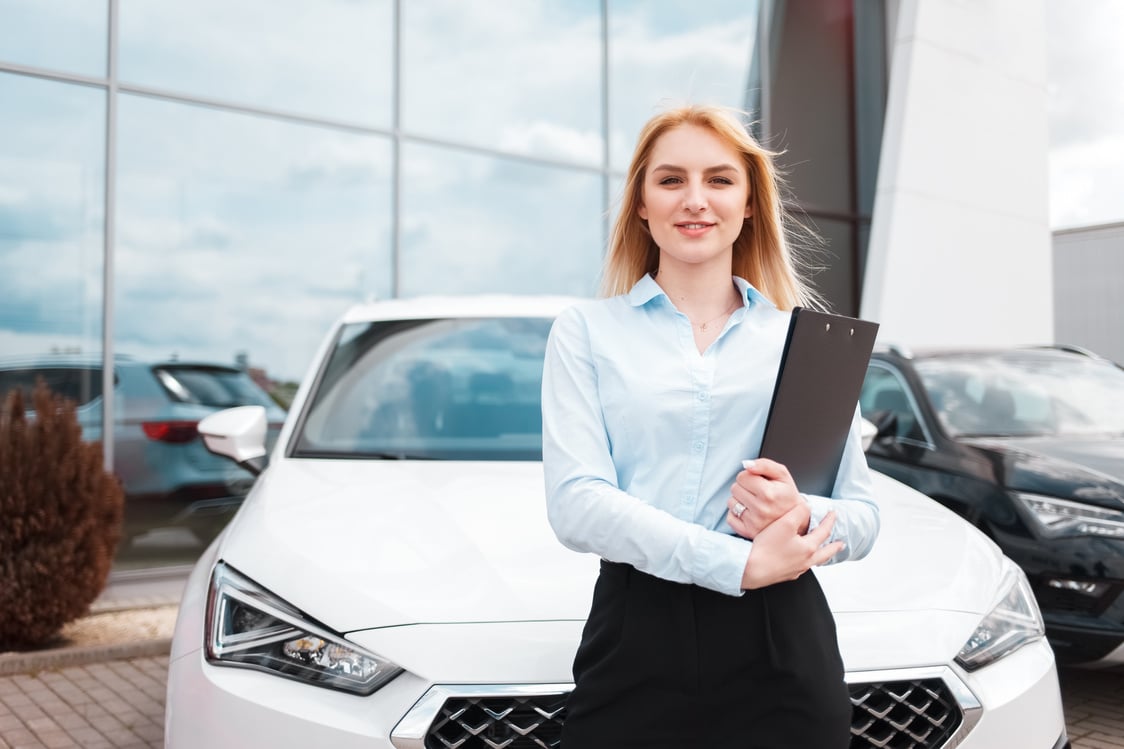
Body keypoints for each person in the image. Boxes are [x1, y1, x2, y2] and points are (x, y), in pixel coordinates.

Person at [541, 104, 880, 749]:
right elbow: (575, 504)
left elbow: (863, 516)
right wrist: (736, 563)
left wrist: (799, 511)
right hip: (636, 631)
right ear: (640, 203)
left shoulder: (805, 341)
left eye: (720, 180)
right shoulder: (586, 331)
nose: (695, 200)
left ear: (751, 202)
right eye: (670, 180)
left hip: (784, 639)